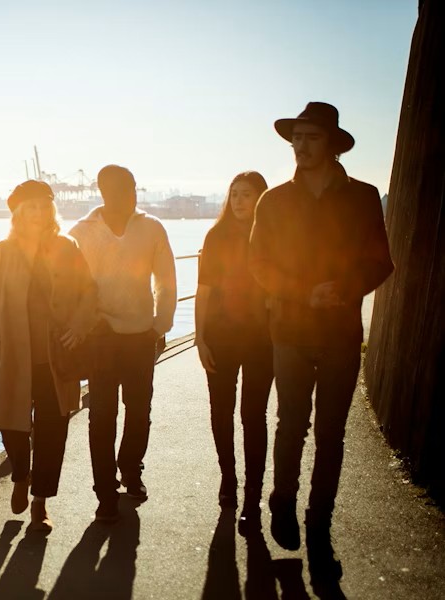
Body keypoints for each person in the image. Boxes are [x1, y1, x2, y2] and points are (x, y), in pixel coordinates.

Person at [249, 102, 394, 563]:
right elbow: (258, 264)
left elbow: (381, 261)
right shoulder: (273, 201)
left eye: (311, 137)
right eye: (296, 137)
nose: (300, 145)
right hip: (289, 331)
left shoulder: (363, 197)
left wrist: (345, 290)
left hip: (340, 334)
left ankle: (319, 524)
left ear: (332, 145)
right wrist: (303, 294)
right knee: (291, 423)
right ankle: (283, 501)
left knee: (332, 433)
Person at [0, 180, 98, 532]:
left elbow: (89, 292)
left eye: (44, 206)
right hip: (12, 357)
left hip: (56, 359)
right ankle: (21, 475)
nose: (38, 213)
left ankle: (40, 503)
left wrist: (80, 326)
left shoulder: (67, 247)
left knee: (53, 431)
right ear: (18, 213)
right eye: (31, 207)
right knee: (9, 421)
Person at [69, 165, 177, 522]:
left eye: (131, 189)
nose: (128, 196)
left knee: (139, 409)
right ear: (102, 192)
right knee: (101, 414)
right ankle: (105, 493)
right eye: (118, 190)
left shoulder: (152, 228)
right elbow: (68, 286)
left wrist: (160, 324)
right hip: (99, 337)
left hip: (141, 335)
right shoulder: (81, 232)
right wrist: (83, 323)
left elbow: (166, 280)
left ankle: (131, 469)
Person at [195, 171, 274, 532]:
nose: (239, 201)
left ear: (261, 198)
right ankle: (229, 478)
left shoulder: (271, 236)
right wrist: (199, 338)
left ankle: (253, 495)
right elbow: (204, 290)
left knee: (253, 415)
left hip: (262, 339)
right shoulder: (216, 236)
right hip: (221, 337)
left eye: (247, 194)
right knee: (221, 411)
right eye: (235, 194)